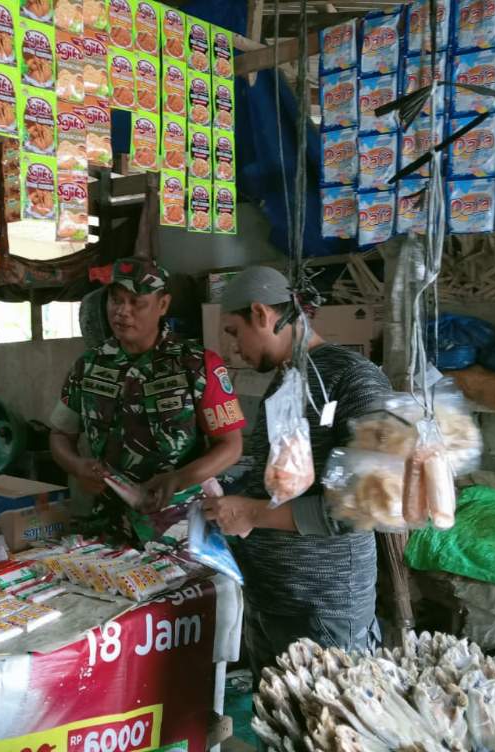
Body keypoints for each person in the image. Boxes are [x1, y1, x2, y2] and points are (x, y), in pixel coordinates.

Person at [201, 266, 391, 673]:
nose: (233, 349)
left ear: (260, 313)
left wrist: (250, 513)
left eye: (234, 331)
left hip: (323, 610)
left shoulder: (353, 379)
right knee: (274, 713)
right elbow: (278, 480)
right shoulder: (287, 381)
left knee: (325, 714)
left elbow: (361, 506)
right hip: (271, 601)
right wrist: (229, 491)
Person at [49, 257, 246, 543]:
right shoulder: (88, 366)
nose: (122, 311)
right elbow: (60, 435)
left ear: (163, 305)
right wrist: (77, 466)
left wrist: (178, 479)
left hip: (181, 527)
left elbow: (231, 445)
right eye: (116, 300)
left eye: (136, 302)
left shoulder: (198, 365)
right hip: (109, 527)